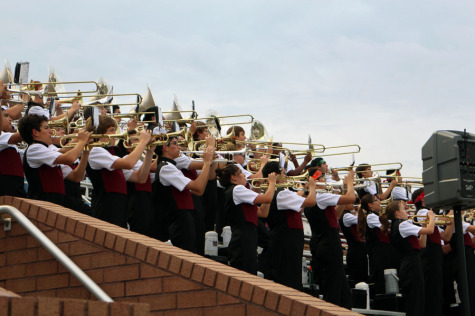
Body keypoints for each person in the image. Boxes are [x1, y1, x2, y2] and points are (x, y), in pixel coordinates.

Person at [86, 115, 153, 228]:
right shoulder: (96, 151)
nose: (116, 134)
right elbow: (129, 164)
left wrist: (149, 152)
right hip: (106, 206)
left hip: (119, 206)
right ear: (100, 133)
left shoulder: (110, 154)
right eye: (112, 130)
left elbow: (140, 178)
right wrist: (142, 142)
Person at [153, 134, 215, 253]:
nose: (179, 147)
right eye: (175, 144)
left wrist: (210, 162)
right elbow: (198, 186)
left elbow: (200, 191)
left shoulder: (171, 166)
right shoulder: (166, 168)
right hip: (178, 220)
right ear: (165, 148)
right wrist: (207, 162)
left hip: (186, 218)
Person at [304, 168, 355, 308]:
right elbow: (352, 199)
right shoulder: (321, 196)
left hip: (323, 242)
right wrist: (350, 183)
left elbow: (336, 215)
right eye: (321, 178)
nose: (325, 181)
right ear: (313, 182)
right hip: (329, 243)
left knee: (342, 290)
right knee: (333, 290)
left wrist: (344, 189)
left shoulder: (316, 198)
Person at [262, 161, 316, 289]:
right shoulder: (281, 193)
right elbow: (311, 201)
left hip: (290, 239)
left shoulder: (282, 193)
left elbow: (299, 209)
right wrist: (312, 187)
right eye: (283, 173)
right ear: (275, 175)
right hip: (286, 240)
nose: (286, 176)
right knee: (288, 279)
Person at [18, 114, 91, 206]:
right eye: (46, 128)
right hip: (43, 205)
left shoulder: (46, 149)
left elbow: (76, 177)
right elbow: (69, 158)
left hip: (56, 204)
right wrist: (81, 141)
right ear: (35, 132)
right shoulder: (34, 148)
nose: (51, 132)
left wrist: (86, 151)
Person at [380, 200, 435, 316]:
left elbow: (422, 244)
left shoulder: (401, 225)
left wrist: (425, 224)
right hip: (411, 264)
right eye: (404, 209)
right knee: (415, 301)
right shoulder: (403, 224)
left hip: (411, 262)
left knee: (417, 299)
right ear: (397, 213)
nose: (407, 211)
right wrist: (432, 216)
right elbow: (431, 230)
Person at [219, 163, 276, 275]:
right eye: (241, 173)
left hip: (247, 238)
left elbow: (263, 213)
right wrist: (272, 183)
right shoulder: (237, 189)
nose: (244, 176)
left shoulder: (240, 193)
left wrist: (268, 187)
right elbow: (268, 199)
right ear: (233, 177)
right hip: (242, 239)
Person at [357, 193, 396, 295]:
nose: (380, 202)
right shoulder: (371, 217)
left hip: (385, 250)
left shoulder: (377, 216)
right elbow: (384, 228)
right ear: (370, 205)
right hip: (378, 251)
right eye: (376, 200)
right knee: (380, 278)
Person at [338, 200, 368, 284]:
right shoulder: (346, 216)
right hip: (355, 250)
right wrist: (362, 210)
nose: (353, 203)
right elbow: (361, 221)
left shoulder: (349, 214)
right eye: (350, 201)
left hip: (360, 250)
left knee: (363, 276)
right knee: (358, 277)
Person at [0, 105, 26, 197]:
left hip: (16, 187)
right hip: (6, 190)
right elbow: (23, 135)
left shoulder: (11, 143)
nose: (11, 119)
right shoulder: (1, 136)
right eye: (6, 116)